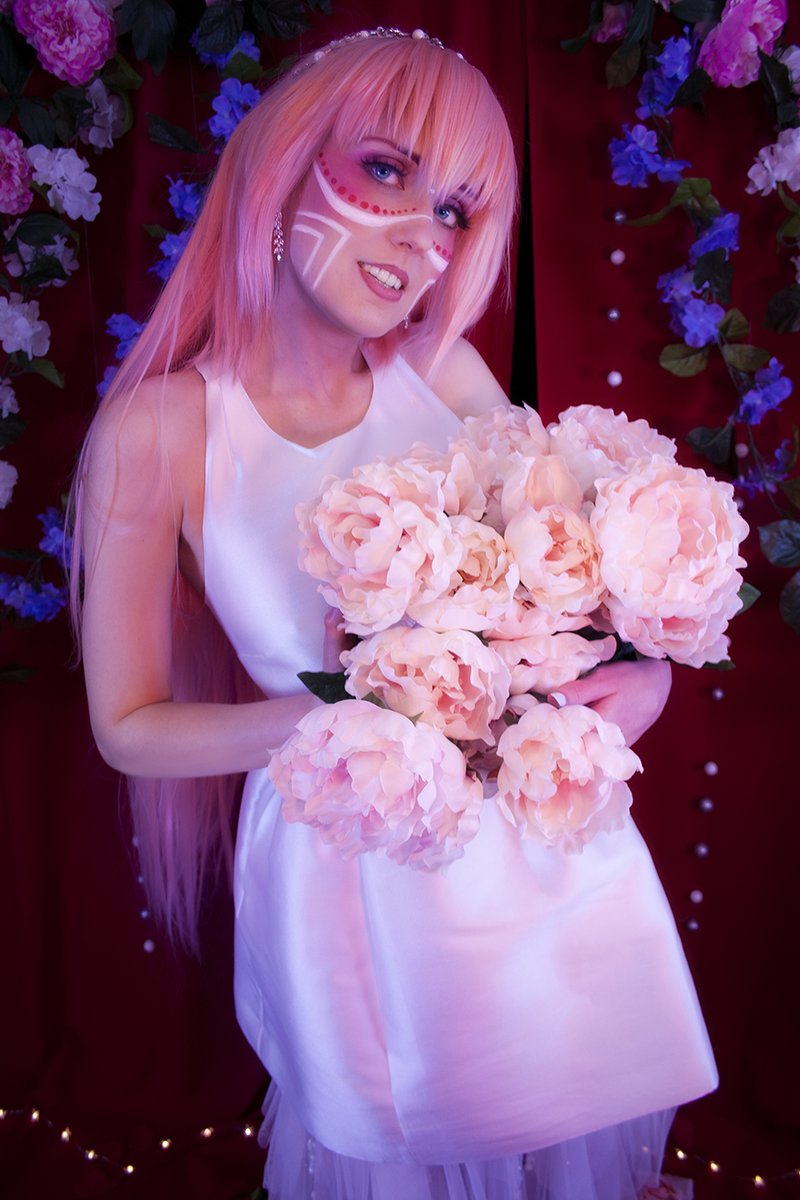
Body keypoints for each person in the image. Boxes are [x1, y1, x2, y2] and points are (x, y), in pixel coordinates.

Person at [72, 28, 717, 1200]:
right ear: (281, 164)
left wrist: (643, 674)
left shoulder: (446, 378)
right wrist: (355, 718)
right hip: (349, 862)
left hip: (532, 851)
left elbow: (571, 592)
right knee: (394, 1136)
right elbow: (129, 726)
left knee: (559, 1126)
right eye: (384, 170)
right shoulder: (162, 432)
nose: (425, 238)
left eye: (456, 211)